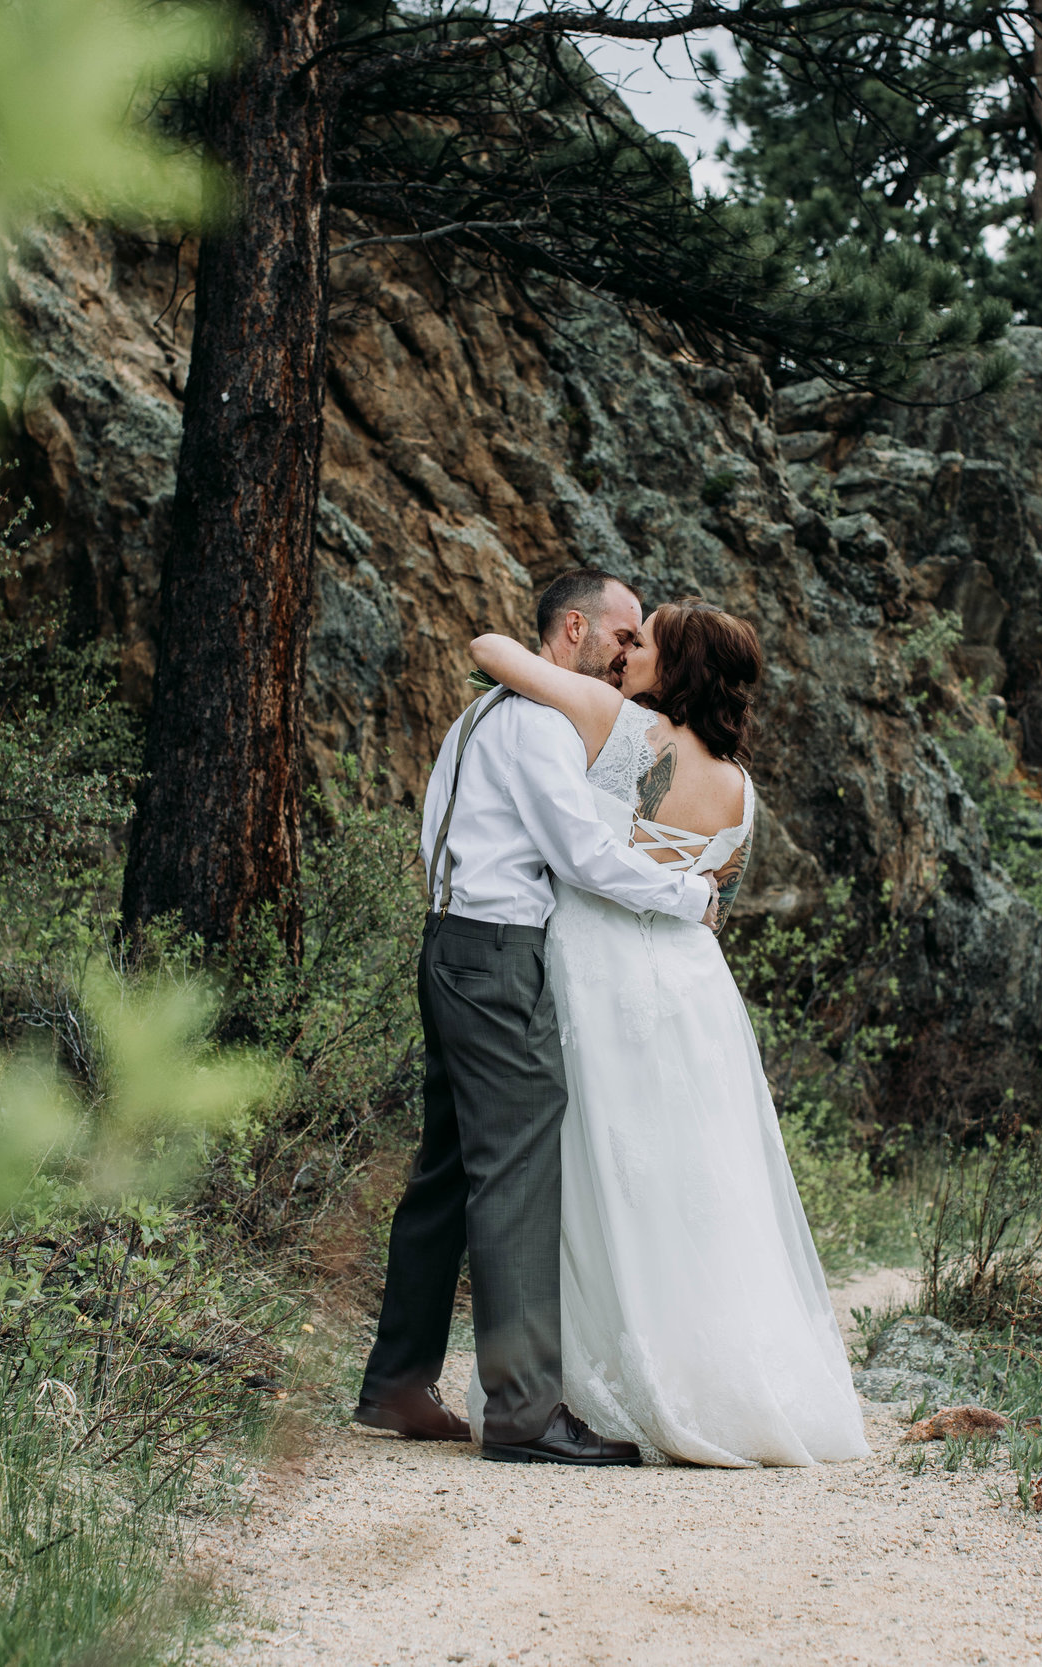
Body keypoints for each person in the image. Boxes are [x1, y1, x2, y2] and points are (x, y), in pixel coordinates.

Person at [466, 594, 869, 1467]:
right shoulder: (742, 791)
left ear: (675, 664)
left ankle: (580, 1381)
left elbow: (491, 648)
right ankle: (723, 1375)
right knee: (701, 1181)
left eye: (642, 641)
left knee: (594, 1176)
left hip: (599, 970)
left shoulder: (618, 728)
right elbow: (718, 892)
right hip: (694, 989)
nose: (625, 652)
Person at [354, 569, 722, 1466]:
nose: (630, 654)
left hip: (447, 943)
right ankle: (523, 1412)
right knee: (517, 1169)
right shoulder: (537, 723)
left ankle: (398, 1384)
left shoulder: (479, 717)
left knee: (446, 1168)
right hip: (496, 954)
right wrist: (688, 896)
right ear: (573, 629)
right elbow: (582, 852)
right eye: (623, 636)